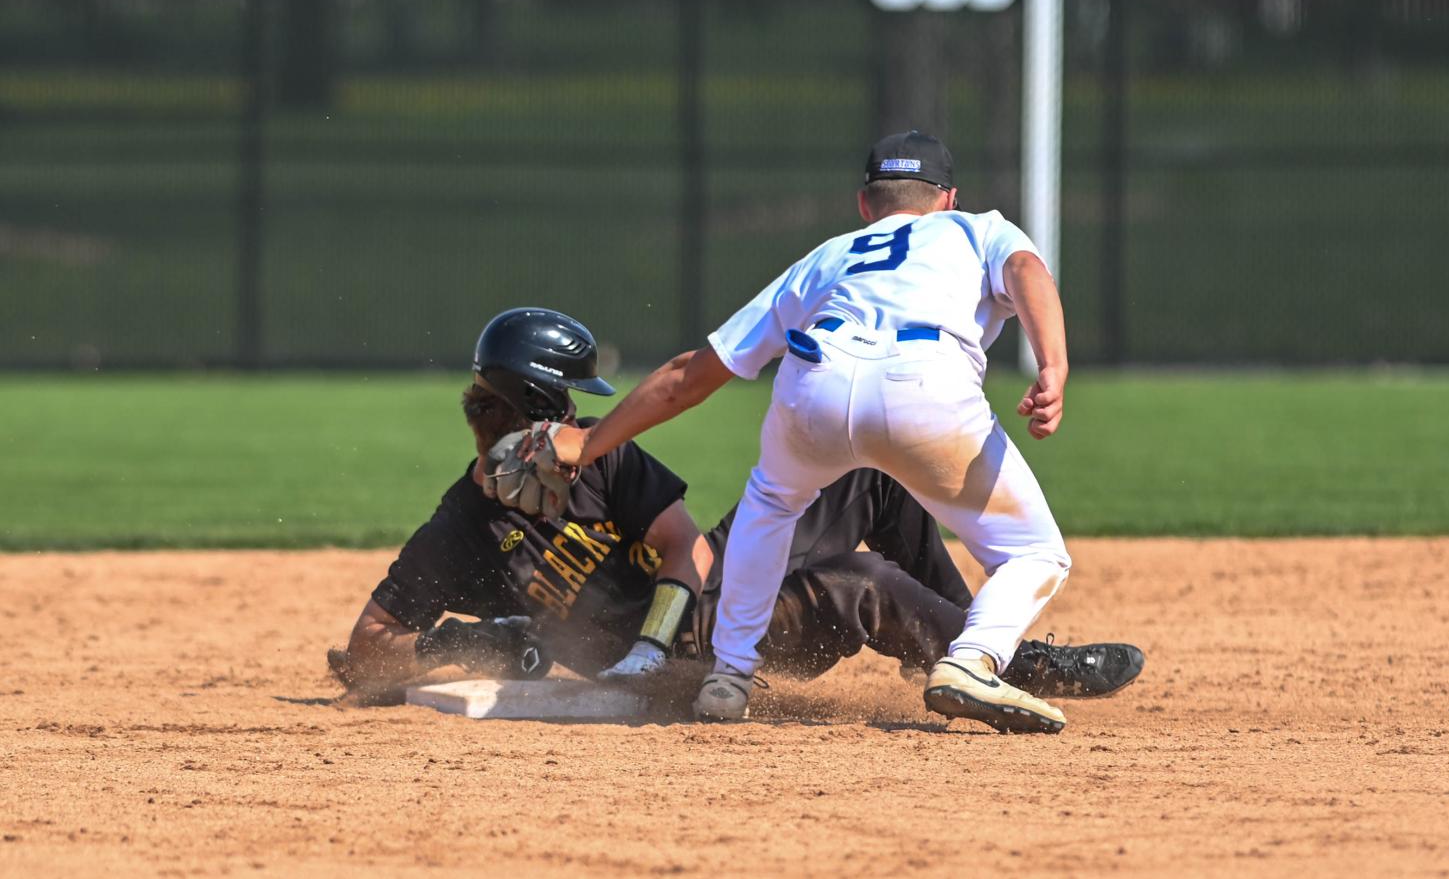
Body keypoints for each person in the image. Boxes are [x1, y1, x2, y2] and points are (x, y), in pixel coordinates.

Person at [535, 132, 1084, 733]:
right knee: (1034, 552)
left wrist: (588, 443)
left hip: (815, 378)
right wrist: (1051, 364)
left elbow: (687, 376)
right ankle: (971, 660)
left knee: (770, 504)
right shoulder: (976, 229)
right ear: (948, 199)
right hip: (925, 382)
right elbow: (1027, 268)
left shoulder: (828, 257)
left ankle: (728, 676)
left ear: (864, 205)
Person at [336, 307, 1144, 708]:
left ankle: (984, 651)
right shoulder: (463, 526)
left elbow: (686, 547)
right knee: (857, 580)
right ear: (537, 398)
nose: (583, 414)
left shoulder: (597, 451)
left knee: (874, 480)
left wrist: (656, 644)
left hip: (685, 620)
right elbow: (364, 650)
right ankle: (989, 658)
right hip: (677, 652)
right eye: (571, 399)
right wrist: (463, 644)